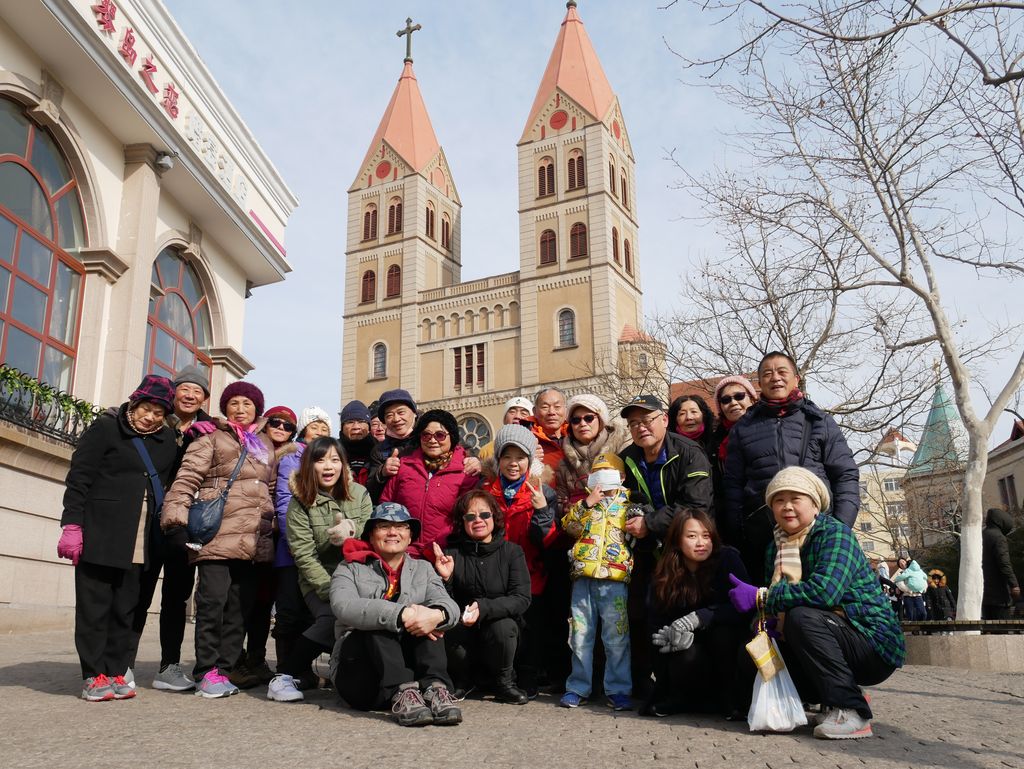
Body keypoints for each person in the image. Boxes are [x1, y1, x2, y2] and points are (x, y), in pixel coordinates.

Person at [727, 466, 905, 740]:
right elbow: (779, 603)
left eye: (795, 499)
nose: (787, 507)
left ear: (814, 504)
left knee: (802, 618)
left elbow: (825, 592)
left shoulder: (835, 535)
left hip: (870, 643)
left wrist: (761, 596)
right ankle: (816, 699)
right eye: (778, 500)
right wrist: (767, 618)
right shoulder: (775, 545)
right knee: (757, 639)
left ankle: (851, 711)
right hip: (825, 632)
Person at [58, 375, 177, 701]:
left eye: (158, 411)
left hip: (142, 539)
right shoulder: (106, 428)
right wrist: (72, 524)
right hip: (101, 532)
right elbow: (80, 477)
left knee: (126, 609)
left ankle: (114, 670)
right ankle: (92, 676)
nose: (150, 416)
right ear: (134, 403)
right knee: (94, 609)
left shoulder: (168, 441)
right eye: (146, 408)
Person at [160, 381, 277, 698]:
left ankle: (224, 672)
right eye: (234, 403)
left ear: (257, 410)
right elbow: (186, 480)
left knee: (240, 609)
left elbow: (272, 491)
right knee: (211, 604)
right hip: (216, 536)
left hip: (253, 541)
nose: (241, 409)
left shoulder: (264, 446)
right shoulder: (209, 439)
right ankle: (206, 671)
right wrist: (174, 521)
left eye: (248, 404)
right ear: (225, 408)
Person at [723, 351, 860, 582]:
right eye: (767, 373)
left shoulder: (819, 421)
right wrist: (739, 533)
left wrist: (840, 527)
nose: (775, 377)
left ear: (796, 378)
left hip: (818, 531)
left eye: (781, 372)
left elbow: (845, 474)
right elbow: (733, 485)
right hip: (762, 534)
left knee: (817, 598)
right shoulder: (744, 427)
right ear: (759, 384)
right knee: (769, 602)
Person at [330, 503, 463, 726]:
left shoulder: (423, 568)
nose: (393, 532)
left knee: (429, 622)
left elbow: (450, 606)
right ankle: (402, 693)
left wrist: (436, 615)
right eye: (384, 526)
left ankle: (435, 689)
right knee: (380, 622)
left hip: (413, 674)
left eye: (401, 527)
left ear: (410, 537)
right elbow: (344, 606)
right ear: (371, 536)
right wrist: (402, 613)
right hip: (363, 676)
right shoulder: (349, 568)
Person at [618, 394, 713, 694]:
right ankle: (645, 685)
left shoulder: (689, 452)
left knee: (685, 617)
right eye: (634, 423)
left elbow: (696, 503)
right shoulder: (627, 457)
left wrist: (651, 522)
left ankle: (692, 688)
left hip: (687, 551)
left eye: (646, 420)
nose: (640, 427)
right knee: (641, 615)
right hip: (646, 552)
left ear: (664, 420)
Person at [268, 437, 372, 702]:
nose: (329, 466)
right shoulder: (300, 502)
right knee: (331, 618)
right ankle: (285, 675)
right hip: (320, 580)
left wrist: (352, 530)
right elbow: (303, 554)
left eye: (335, 460)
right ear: (309, 464)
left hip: (360, 577)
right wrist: (332, 590)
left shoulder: (359, 493)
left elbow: (372, 535)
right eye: (320, 459)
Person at [129, 364, 213, 693]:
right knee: (138, 593)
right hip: (149, 519)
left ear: (205, 397)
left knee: (176, 597)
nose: (190, 394)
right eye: (185, 388)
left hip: (185, 525)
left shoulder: (209, 430)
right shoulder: (152, 421)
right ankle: (123, 663)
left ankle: (170, 666)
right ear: (173, 391)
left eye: (198, 390)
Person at [644, 509, 750, 718]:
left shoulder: (728, 559)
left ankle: (729, 700)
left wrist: (701, 617)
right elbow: (655, 619)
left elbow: (744, 608)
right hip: (689, 651)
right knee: (682, 651)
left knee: (724, 635)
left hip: (723, 646)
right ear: (677, 540)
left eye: (706, 535)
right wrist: (668, 635)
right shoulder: (665, 571)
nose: (700, 542)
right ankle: (678, 698)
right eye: (692, 536)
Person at [433, 491, 532, 704]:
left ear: (494, 518)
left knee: (503, 627)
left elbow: (521, 598)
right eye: (470, 517)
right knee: (447, 623)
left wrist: (483, 608)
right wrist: (446, 579)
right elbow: (442, 600)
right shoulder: (452, 554)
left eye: (484, 515)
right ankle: (462, 680)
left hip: (499, 629)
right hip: (464, 626)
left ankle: (504, 682)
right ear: (462, 522)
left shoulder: (512, 552)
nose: (478, 520)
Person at [482, 424, 557, 696]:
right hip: (496, 574)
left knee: (531, 628)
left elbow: (547, 540)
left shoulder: (543, 492)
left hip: (531, 571)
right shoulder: (486, 491)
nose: (513, 464)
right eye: (507, 457)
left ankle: (528, 676)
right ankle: (501, 675)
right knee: (502, 627)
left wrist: (542, 512)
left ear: (530, 461)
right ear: (498, 459)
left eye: (520, 457)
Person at [559, 451, 635, 711]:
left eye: (608, 475)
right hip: (583, 579)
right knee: (580, 635)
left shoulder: (629, 505)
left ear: (621, 478)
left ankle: (619, 689)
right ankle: (577, 687)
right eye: (597, 475)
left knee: (616, 637)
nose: (602, 482)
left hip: (614, 579)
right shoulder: (585, 505)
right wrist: (586, 504)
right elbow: (568, 526)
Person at [230, 404, 298, 690]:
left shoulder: (294, 455)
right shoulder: (252, 445)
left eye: (288, 426)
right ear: (265, 423)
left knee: (262, 603)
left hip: (273, 537)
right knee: (240, 601)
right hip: (247, 529)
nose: (281, 429)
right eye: (277, 423)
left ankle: (256, 659)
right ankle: (233, 661)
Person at [271, 406, 334, 675]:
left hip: (318, 550)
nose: (319, 432)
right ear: (304, 431)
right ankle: (286, 670)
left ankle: (303, 670)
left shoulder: (329, 461)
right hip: (291, 549)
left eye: (324, 429)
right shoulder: (292, 458)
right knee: (289, 610)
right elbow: (284, 503)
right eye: (314, 427)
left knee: (312, 611)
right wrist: (295, 542)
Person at [379, 409, 480, 557]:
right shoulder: (404, 466)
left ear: (451, 437)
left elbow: (468, 518)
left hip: (445, 554)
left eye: (440, 435)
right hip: (403, 554)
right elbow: (385, 505)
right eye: (426, 435)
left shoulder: (465, 471)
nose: (432, 440)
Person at [555, 393, 631, 510]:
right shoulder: (564, 462)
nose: (583, 424)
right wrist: (569, 508)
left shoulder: (623, 448)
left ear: (600, 419)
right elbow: (560, 504)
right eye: (576, 420)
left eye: (589, 418)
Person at [705, 375, 758, 542]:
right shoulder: (715, 440)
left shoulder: (767, 427)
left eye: (739, 396)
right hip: (731, 519)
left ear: (752, 398)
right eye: (726, 400)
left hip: (763, 513)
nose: (733, 403)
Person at [365, 389, 419, 502]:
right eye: (389, 415)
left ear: (414, 413)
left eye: (401, 412)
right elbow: (370, 493)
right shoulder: (379, 451)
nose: (396, 419)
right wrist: (382, 472)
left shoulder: (428, 440)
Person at [982, 507, 1020, 619]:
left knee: (989, 627)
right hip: (999, 594)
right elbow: (1004, 563)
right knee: (1001, 627)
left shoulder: (981, 535)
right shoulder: (999, 538)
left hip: (984, 593)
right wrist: (1014, 584)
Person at [478, 395, 536, 466]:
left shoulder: (538, 447)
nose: (517, 416)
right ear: (504, 419)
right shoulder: (486, 451)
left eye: (523, 413)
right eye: (512, 412)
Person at [532, 387, 569, 480]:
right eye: (545, 407)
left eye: (557, 407)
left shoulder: (578, 437)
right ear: (534, 412)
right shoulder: (527, 441)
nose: (551, 412)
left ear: (566, 411)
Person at [339, 399, 377, 486]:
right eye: (350, 422)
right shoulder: (333, 451)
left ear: (369, 427)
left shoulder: (380, 451)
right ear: (342, 427)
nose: (356, 427)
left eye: (361, 422)